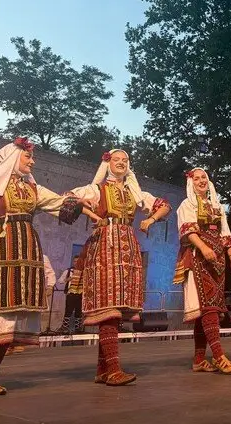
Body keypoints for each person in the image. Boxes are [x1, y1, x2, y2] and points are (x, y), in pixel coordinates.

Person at [0, 137, 87, 401]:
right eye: (27, 157)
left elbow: (59, 204)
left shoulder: (33, 189)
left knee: (9, 322)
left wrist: (78, 201)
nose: (32, 162)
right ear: (12, 158)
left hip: (26, 254)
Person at [69, 149, 171, 385]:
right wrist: (90, 213)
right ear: (107, 163)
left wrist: (150, 219)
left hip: (127, 245)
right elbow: (68, 198)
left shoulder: (135, 193)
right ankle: (113, 370)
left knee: (116, 309)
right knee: (109, 306)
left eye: (125, 161)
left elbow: (164, 205)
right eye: (117, 160)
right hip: (104, 244)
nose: (122, 163)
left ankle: (103, 370)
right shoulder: (97, 189)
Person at [173, 168, 231, 373]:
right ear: (191, 183)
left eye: (204, 177)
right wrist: (203, 247)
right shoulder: (187, 205)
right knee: (207, 308)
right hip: (197, 258)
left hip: (217, 259)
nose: (201, 181)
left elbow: (225, 234)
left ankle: (199, 359)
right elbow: (187, 230)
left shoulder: (217, 207)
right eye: (197, 178)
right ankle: (219, 355)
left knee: (210, 308)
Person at [55, 252, 85, 334]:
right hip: (71, 293)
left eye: (78, 261)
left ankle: (77, 328)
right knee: (68, 310)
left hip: (80, 294)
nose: (76, 263)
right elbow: (60, 281)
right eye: (75, 261)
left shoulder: (84, 272)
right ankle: (64, 327)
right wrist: (66, 280)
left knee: (79, 311)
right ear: (73, 262)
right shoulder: (68, 271)